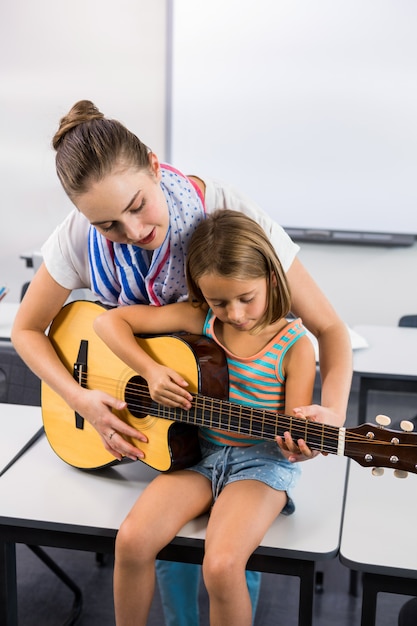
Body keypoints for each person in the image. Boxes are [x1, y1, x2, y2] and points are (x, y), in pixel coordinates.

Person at [11, 100, 352, 624]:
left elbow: (328, 329)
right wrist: (82, 398)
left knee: (224, 563)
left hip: (231, 428)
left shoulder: (228, 220)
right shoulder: (79, 235)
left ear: (153, 164)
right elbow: (29, 329)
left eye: (138, 205)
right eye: (108, 225)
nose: (132, 229)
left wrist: (327, 415)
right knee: (153, 550)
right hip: (172, 431)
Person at [93, 209, 317, 626]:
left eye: (245, 298)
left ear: (270, 278)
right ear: (201, 294)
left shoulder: (296, 346)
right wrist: (149, 369)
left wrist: (301, 447)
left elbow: (293, 431)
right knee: (132, 541)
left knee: (221, 565)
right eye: (219, 301)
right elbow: (108, 322)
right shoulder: (199, 320)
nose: (234, 313)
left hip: (261, 464)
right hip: (198, 454)